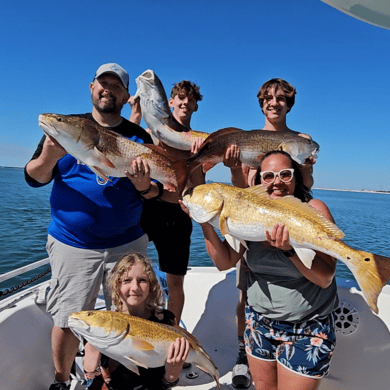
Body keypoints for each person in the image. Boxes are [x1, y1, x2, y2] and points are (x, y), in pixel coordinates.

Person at [25, 63, 164, 390]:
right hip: (73, 244)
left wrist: (145, 186)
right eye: (103, 83)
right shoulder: (66, 127)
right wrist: (48, 155)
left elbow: (157, 190)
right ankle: (62, 381)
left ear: (126, 95)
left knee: (130, 317)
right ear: (91, 88)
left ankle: (118, 379)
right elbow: (34, 177)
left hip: (128, 243)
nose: (108, 90)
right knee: (69, 318)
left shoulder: (138, 136)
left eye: (116, 86)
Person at [182, 150, 338, 390]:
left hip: (307, 328)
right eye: (268, 176)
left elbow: (325, 278)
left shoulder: (314, 209)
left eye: (285, 174)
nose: (276, 182)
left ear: (296, 178)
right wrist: (205, 221)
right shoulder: (244, 216)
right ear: (259, 181)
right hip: (259, 324)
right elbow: (224, 262)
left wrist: (290, 251)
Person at [222, 78, 316, 388]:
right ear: (261, 103)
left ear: (289, 104)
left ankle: (296, 342)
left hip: (289, 221)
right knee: (245, 292)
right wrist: (236, 168)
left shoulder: (302, 140)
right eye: (267, 98)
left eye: (279, 99)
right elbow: (242, 190)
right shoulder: (247, 141)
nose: (272, 103)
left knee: (299, 278)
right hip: (253, 224)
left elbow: (307, 186)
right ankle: (242, 352)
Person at [130, 80, 205, 324]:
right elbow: (125, 146)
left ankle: (172, 333)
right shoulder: (150, 132)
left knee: (175, 282)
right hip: (146, 209)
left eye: (190, 99)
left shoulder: (197, 142)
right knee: (129, 271)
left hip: (177, 216)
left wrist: (196, 158)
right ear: (170, 102)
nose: (185, 102)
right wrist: (136, 113)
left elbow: (197, 188)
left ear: (195, 106)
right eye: (180, 98)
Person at [83, 253, 190, 390]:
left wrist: (172, 375)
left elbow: (164, 384)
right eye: (126, 280)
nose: (135, 288)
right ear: (115, 285)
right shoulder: (101, 326)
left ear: (151, 285)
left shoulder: (166, 319)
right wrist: (91, 365)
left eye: (142, 280)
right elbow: (94, 385)